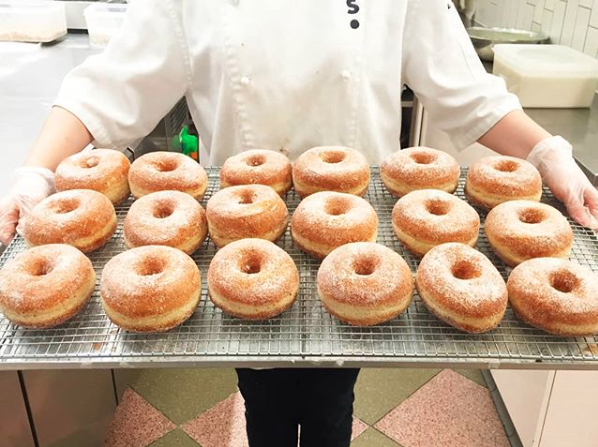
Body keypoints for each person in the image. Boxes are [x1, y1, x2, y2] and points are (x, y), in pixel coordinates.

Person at [1, 1, 597, 446]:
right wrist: (34, 175)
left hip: (361, 238)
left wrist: (549, 155)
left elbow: (469, 92)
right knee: (264, 391)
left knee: (334, 394)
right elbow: (107, 89)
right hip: (242, 229)